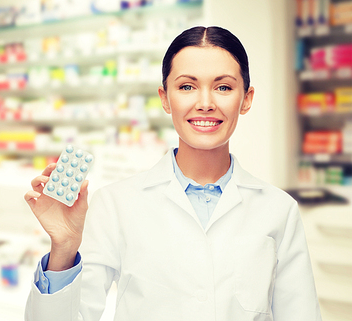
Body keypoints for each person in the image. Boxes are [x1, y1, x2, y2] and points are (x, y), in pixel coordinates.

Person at [24, 26, 322, 321]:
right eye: (187, 86)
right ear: (165, 98)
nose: (205, 104)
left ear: (246, 99)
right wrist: (63, 249)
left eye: (223, 87)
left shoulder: (278, 210)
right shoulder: (116, 204)